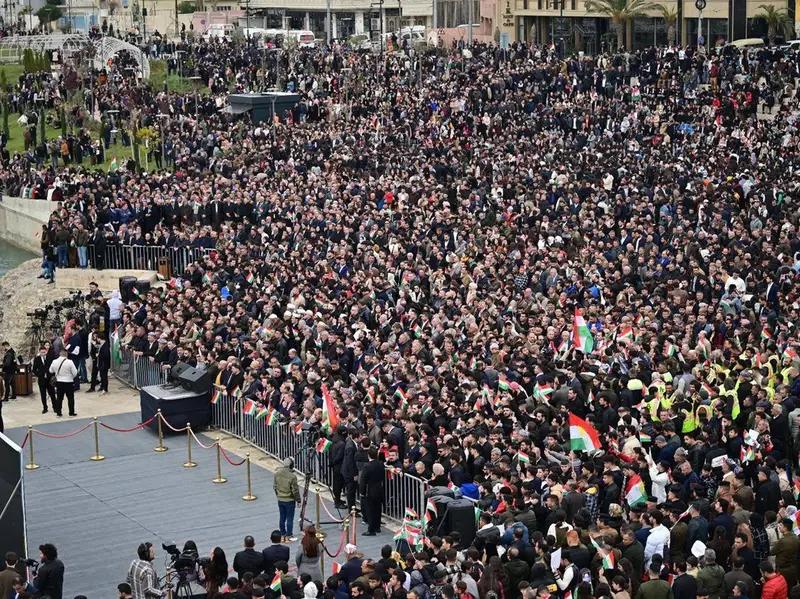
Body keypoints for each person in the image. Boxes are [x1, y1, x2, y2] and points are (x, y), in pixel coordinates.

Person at [274, 458, 300, 542]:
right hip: (289, 500)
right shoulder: (292, 477)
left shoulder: (277, 473)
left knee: (282, 517)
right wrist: (298, 500)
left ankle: (282, 533)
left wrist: (278, 495)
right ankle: (289, 535)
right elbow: (295, 490)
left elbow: (274, 486)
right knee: (289, 518)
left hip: (280, 499)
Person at [359, 449, 384, 536]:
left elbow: (363, 480)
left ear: (368, 455)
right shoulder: (381, 464)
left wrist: (362, 492)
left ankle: (371, 529)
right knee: (378, 509)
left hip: (370, 490)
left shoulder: (367, 466)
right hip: (379, 489)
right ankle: (377, 527)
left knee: (370, 510)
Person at [49, 348, 78, 417]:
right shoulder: (70, 362)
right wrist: (71, 377)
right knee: (70, 398)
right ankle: (71, 412)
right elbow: (75, 373)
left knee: (59, 398)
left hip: (59, 382)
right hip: (69, 382)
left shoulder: (54, 361)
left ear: (60, 354)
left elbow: (50, 370)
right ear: (66, 354)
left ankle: (59, 413)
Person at [31, 346, 54, 413]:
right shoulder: (37, 359)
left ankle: (55, 407)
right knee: (43, 395)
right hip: (41, 379)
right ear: (39, 352)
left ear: (46, 352)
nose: (43, 354)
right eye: (41, 352)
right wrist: (39, 375)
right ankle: (45, 407)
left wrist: (52, 375)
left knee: (52, 394)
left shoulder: (50, 358)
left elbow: (53, 367)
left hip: (49, 379)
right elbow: (34, 369)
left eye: (44, 352)